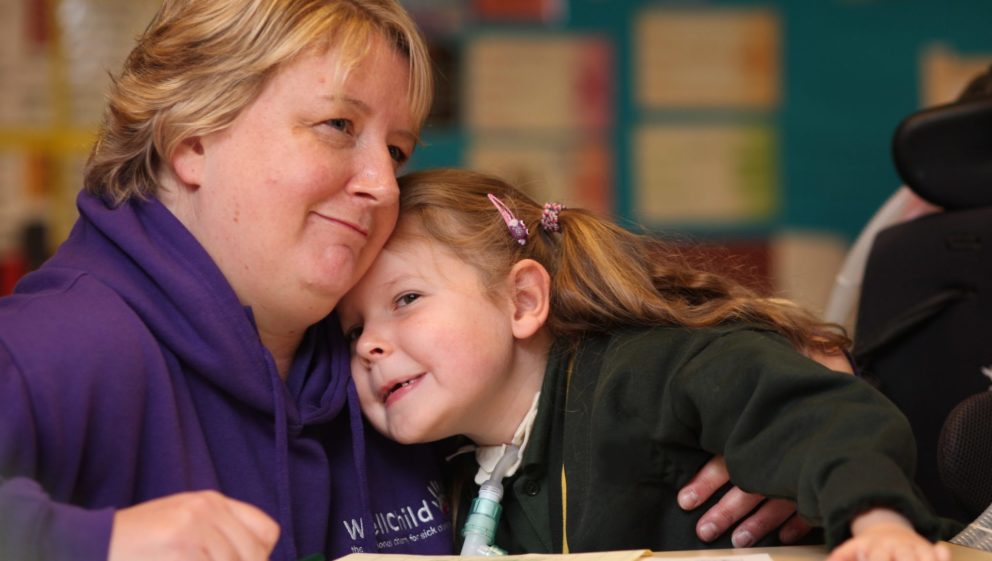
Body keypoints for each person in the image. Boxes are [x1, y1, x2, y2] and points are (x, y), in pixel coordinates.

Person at [0, 1, 451, 560]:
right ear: (192, 140)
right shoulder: (52, 345)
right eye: (338, 125)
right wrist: (98, 545)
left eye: (396, 151)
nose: (384, 185)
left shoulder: (398, 367)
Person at [338, 168, 958, 561]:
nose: (369, 344)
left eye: (407, 300)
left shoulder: (651, 369)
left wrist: (879, 525)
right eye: (353, 329)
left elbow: (818, 416)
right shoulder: (462, 474)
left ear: (523, 301)